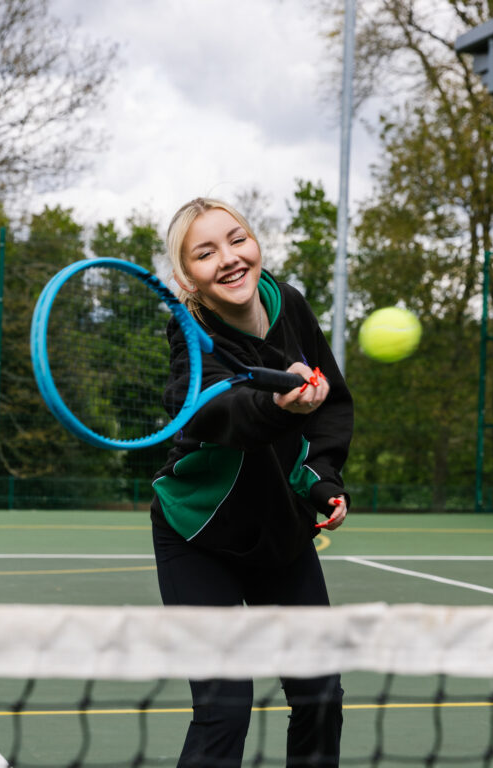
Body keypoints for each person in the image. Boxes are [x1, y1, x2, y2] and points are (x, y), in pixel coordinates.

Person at [150, 197, 352, 767]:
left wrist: (320, 479)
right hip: (198, 534)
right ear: (187, 279)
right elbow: (222, 415)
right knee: (225, 709)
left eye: (237, 239)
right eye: (206, 253)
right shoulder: (189, 333)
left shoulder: (288, 303)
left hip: (281, 535)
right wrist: (281, 408)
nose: (230, 259)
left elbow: (331, 404)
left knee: (319, 696)